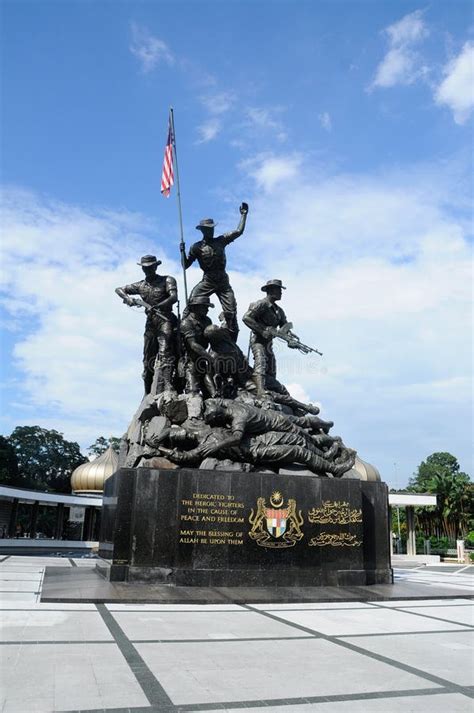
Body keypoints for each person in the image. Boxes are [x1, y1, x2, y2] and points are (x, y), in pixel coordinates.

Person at [181, 203, 248, 340]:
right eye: (208, 229)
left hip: (223, 280)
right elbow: (185, 265)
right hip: (208, 280)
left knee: (231, 310)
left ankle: (232, 340)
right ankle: (183, 330)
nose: (211, 231)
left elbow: (238, 231)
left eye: (212, 229)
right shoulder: (196, 247)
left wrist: (243, 215)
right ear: (202, 230)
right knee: (192, 301)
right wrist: (182, 253)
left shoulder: (221, 241)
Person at [116, 255, 178, 394]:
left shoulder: (167, 280)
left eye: (151, 267)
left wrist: (157, 306)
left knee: (165, 352)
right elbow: (119, 289)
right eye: (145, 267)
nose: (148, 270)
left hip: (165, 319)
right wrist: (128, 299)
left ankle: (167, 386)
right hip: (151, 324)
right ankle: (147, 393)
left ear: (156, 266)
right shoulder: (140, 285)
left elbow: (174, 297)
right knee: (147, 358)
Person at [243, 279, 298, 396]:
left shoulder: (279, 311)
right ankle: (260, 390)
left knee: (271, 368)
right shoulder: (261, 304)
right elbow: (246, 318)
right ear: (271, 290)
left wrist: (290, 339)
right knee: (261, 363)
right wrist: (262, 330)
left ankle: (271, 391)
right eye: (279, 290)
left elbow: (284, 327)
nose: (281, 293)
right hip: (258, 341)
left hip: (268, 344)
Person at [180, 296, 216, 397]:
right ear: (195, 308)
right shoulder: (186, 323)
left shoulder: (207, 321)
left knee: (211, 392)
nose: (207, 309)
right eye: (204, 307)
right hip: (189, 360)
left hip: (203, 359)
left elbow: (212, 340)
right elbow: (193, 345)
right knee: (193, 392)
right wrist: (210, 358)